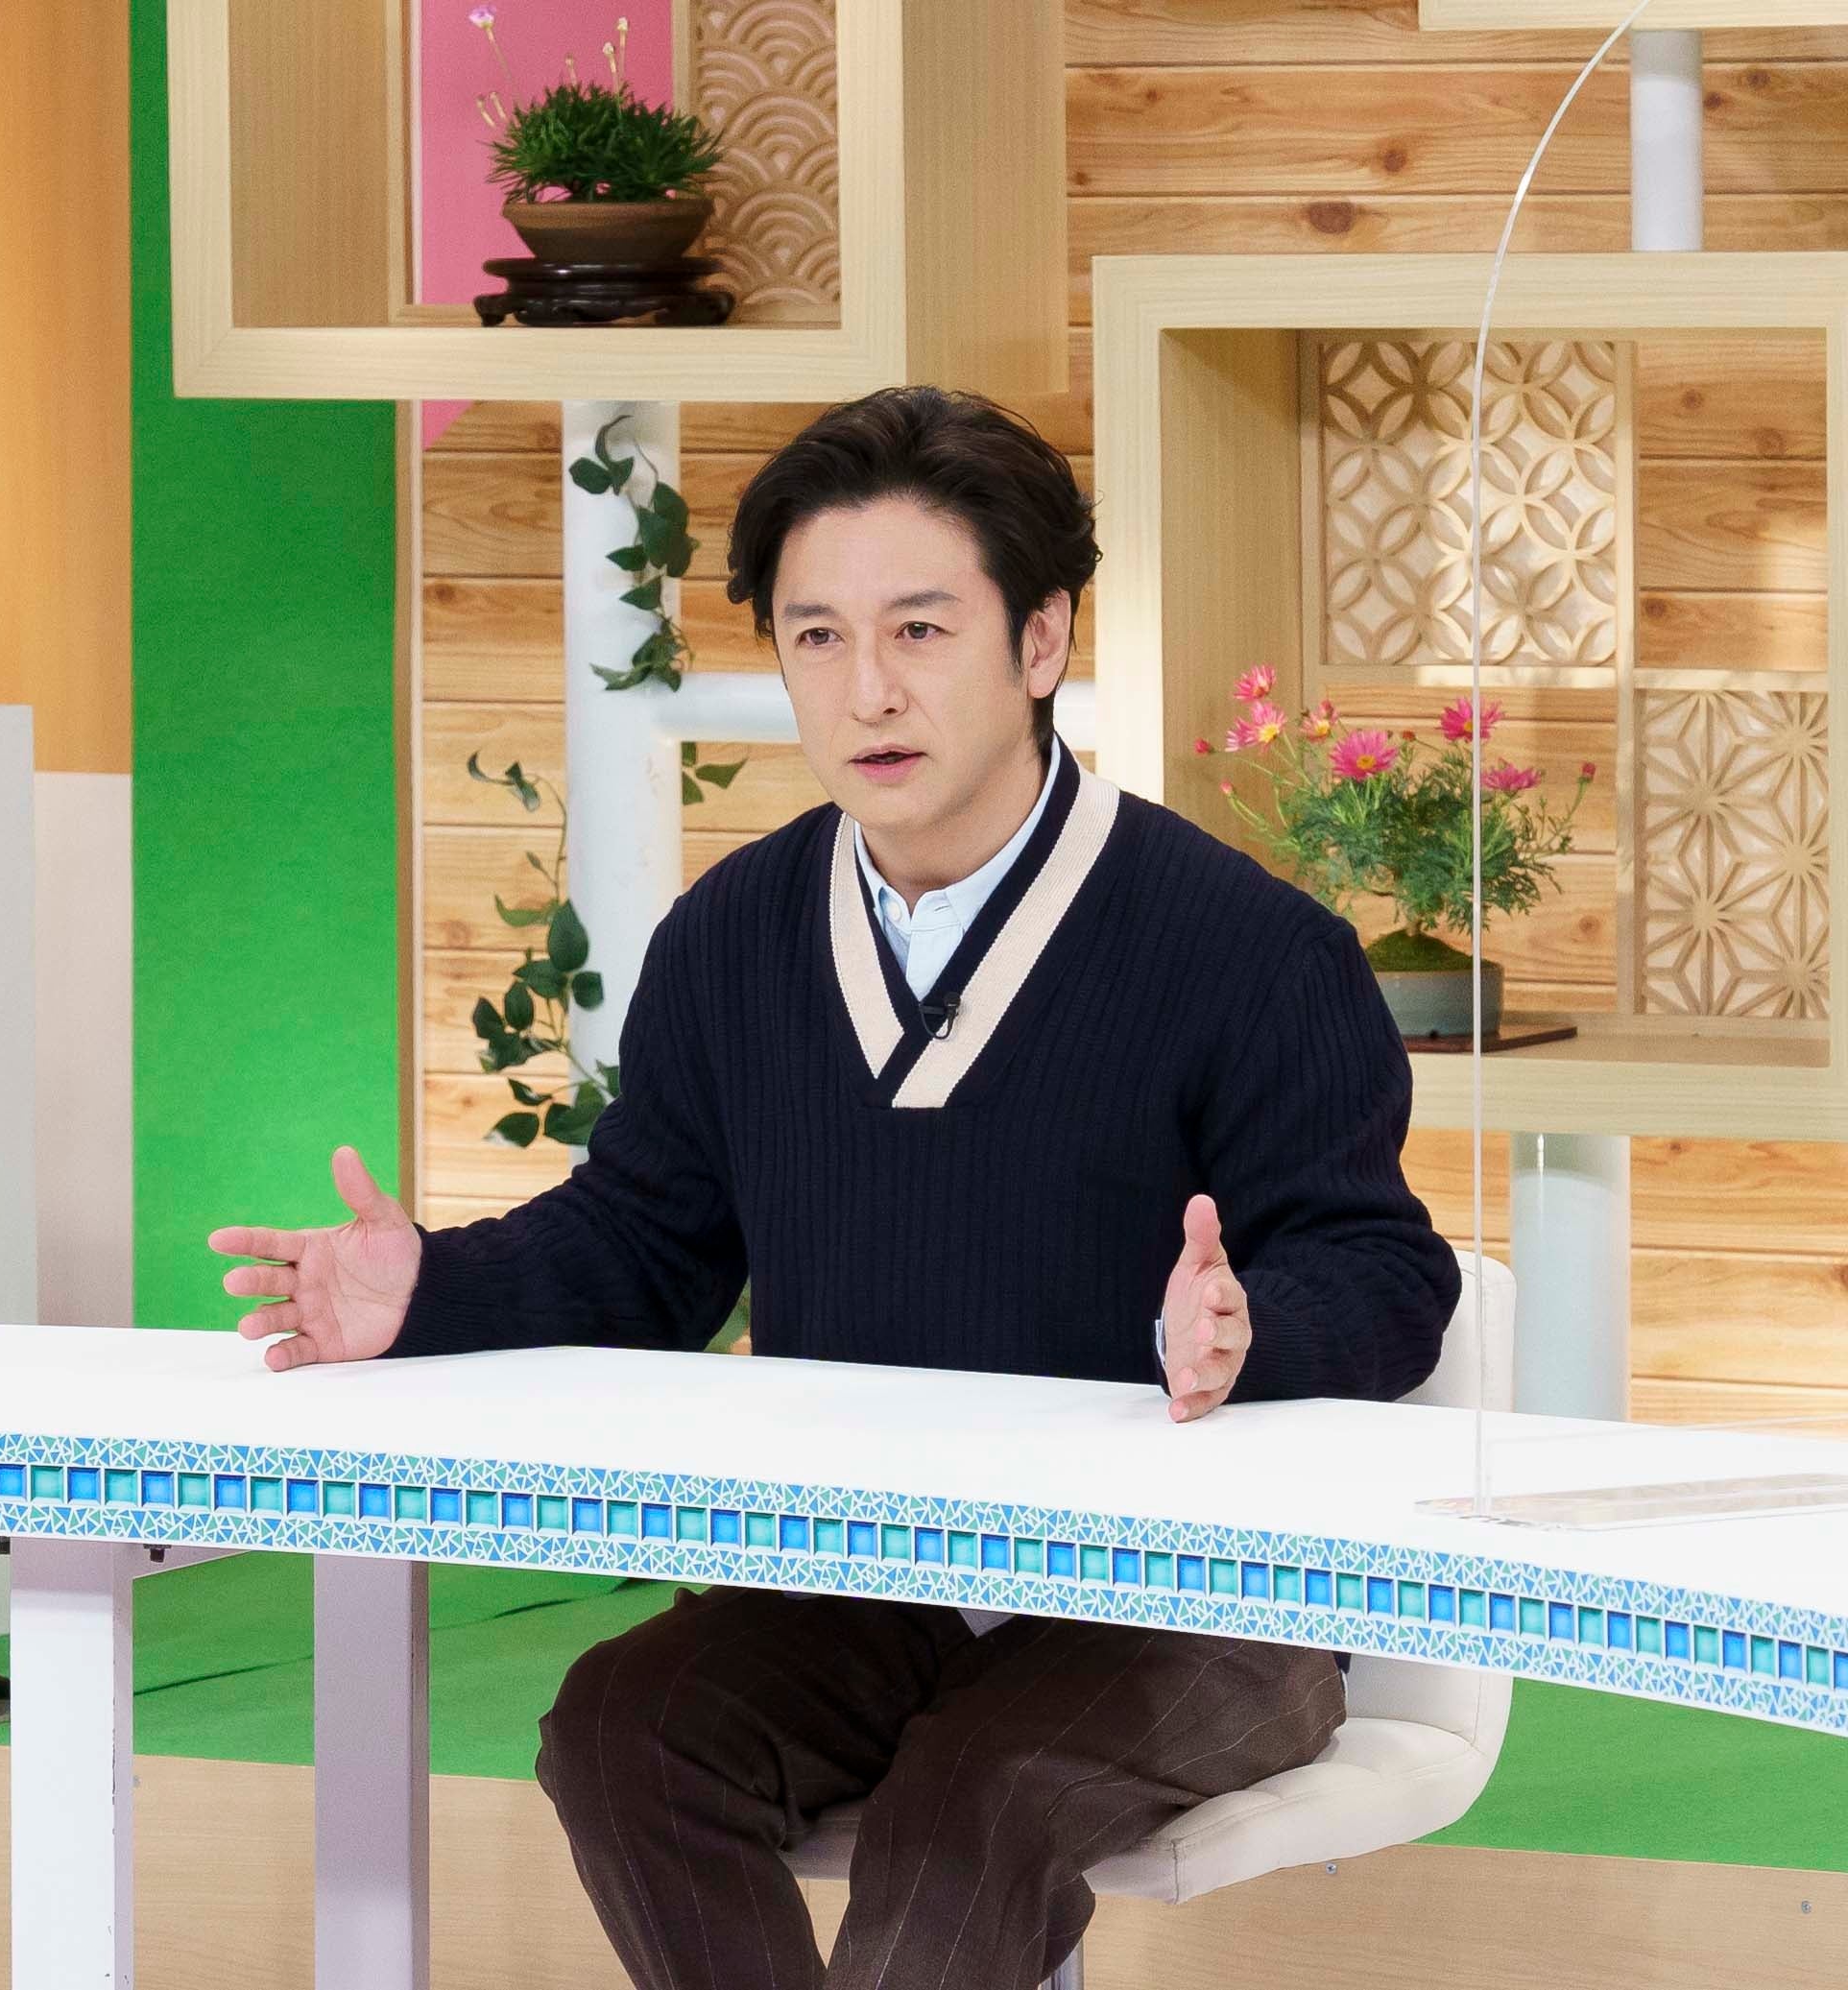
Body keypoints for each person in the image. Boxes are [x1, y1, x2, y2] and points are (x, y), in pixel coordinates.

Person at [208, 385, 1461, 1990]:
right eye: (815, 637)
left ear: (1040, 639)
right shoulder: (731, 936)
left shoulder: (1248, 948)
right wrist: (433, 1287)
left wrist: (1248, 1326)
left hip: (1195, 1602)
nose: (866, 688)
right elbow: (648, 1243)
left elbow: (1385, 1271)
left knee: (969, 1807)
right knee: (623, 1731)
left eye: (920, 629)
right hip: (866, 1583)